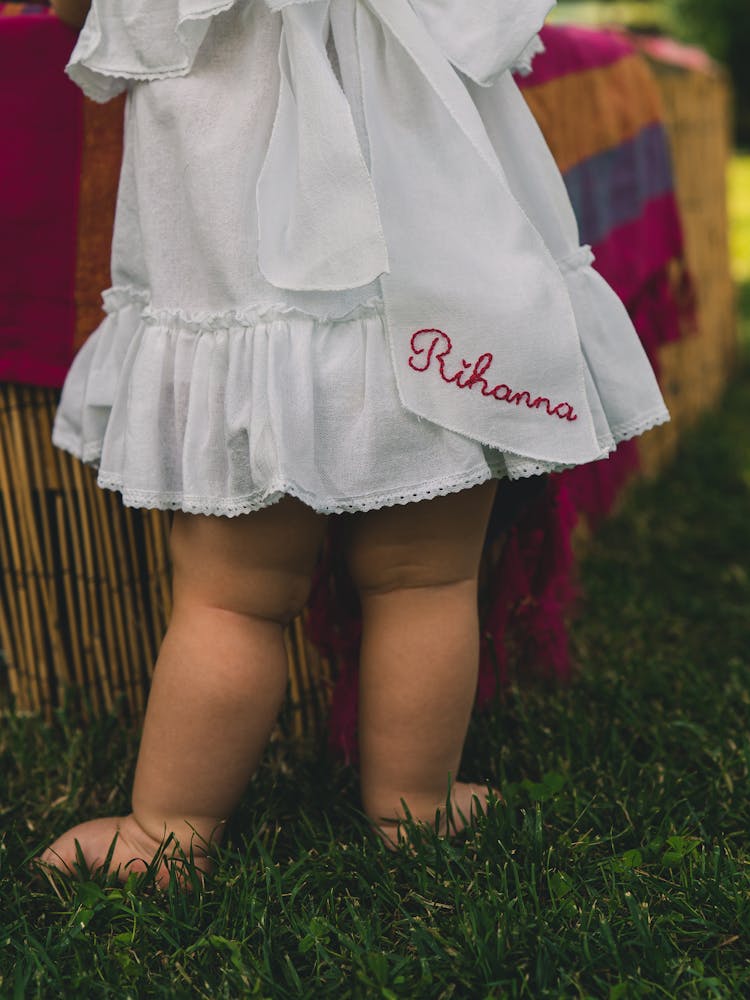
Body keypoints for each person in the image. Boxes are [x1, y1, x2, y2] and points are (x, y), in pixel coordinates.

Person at [40, 0, 669, 886]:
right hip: (441, 312)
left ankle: (166, 831)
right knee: (427, 582)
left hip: (246, 323)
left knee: (231, 601)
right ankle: (415, 808)